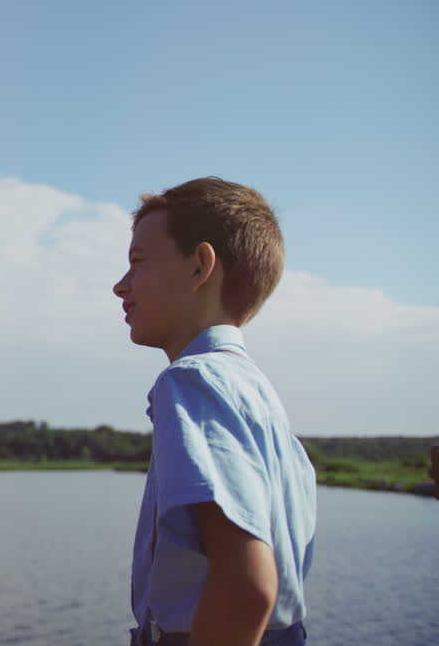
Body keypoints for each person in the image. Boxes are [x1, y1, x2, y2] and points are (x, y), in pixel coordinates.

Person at [112, 177, 316, 646]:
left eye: (137, 263)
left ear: (200, 266)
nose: (120, 286)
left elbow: (247, 590)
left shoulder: (193, 381)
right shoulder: (258, 394)